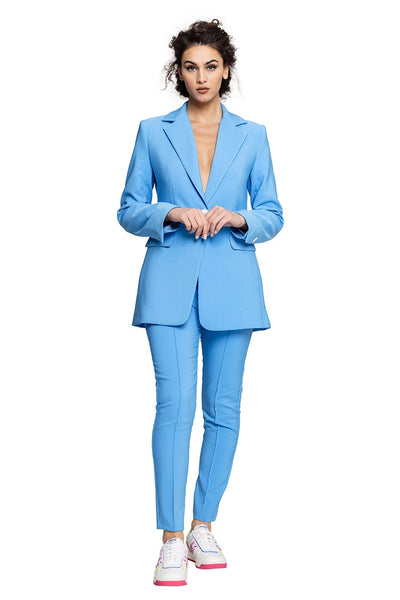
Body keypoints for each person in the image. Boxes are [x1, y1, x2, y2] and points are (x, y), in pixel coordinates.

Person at [117, 18, 284, 586]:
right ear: (179, 72)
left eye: (211, 66)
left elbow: (272, 214)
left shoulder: (253, 135)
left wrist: (239, 217)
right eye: (191, 67)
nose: (202, 76)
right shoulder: (152, 131)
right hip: (168, 284)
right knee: (174, 406)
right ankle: (170, 537)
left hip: (233, 287)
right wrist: (169, 212)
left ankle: (202, 526)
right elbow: (128, 208)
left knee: (224, 409)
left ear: (226, 70)